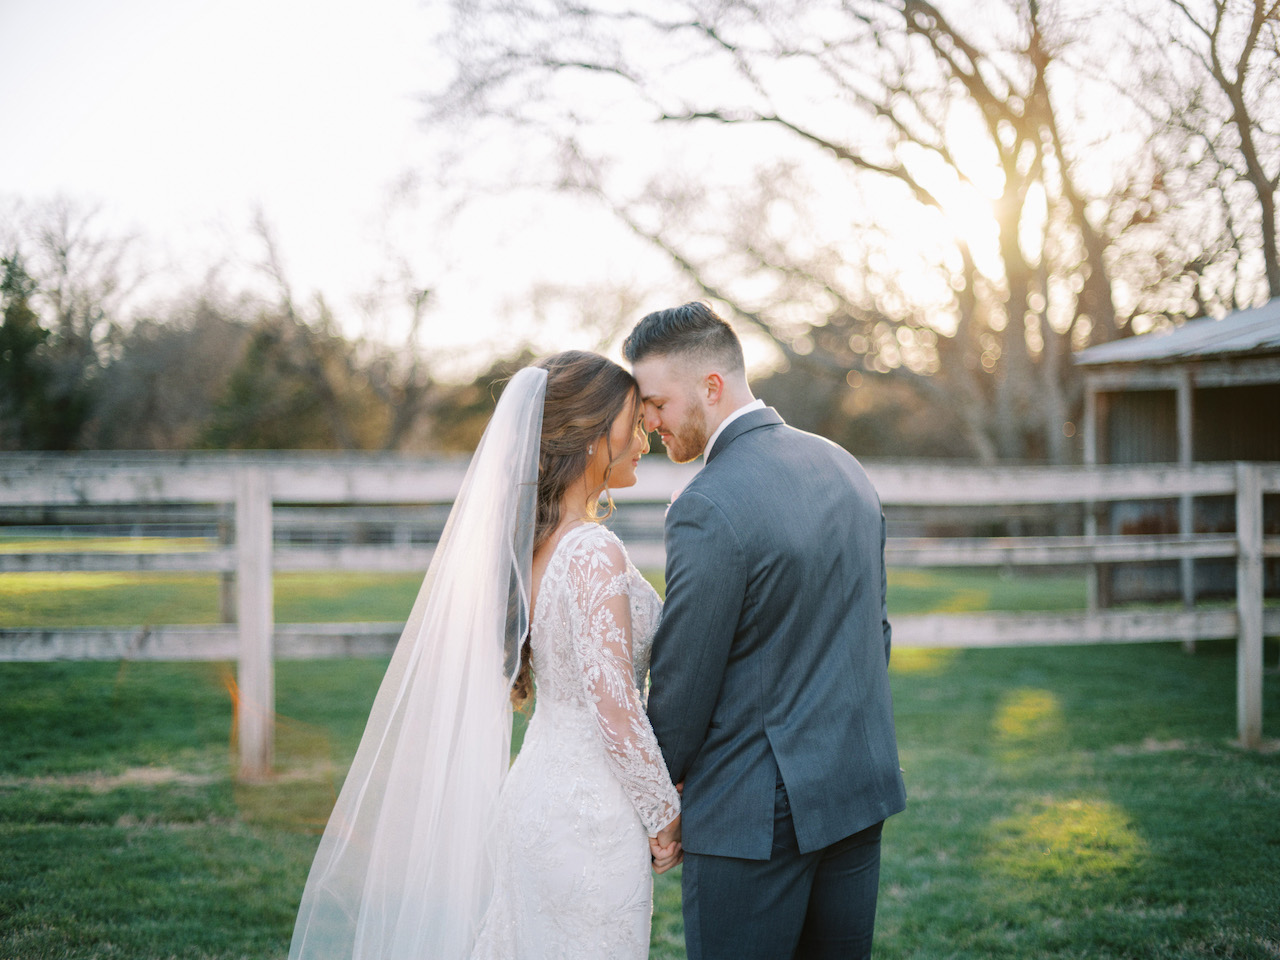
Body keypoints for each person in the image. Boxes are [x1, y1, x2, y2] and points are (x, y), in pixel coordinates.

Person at [288, 351, 680, 960]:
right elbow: (615, 703)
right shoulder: (592, 551)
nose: (644, 441)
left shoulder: (536, 544)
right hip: (591, 820)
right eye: (633, 423)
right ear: (590, 434)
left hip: (534, 800)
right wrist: (664, 814)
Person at [624, 302, 907, 960]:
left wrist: (655, 794)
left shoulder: (708, 502)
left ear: (712, 387)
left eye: (658, 404)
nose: (650, 422)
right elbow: (877, 635)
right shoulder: (844, 466)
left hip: (752, 819)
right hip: (855, 790)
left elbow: (683, 682)